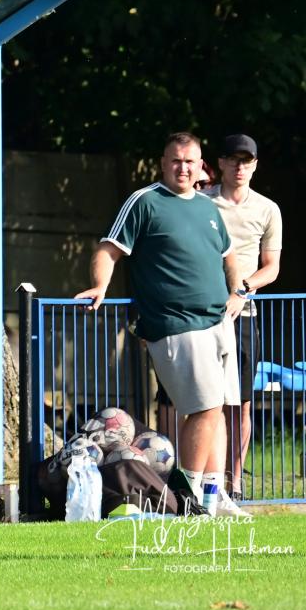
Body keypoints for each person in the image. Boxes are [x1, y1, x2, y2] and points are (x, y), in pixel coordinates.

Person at [75, 131, 249, 518]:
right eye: (176, 160)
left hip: (218, 323)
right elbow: (108, 249)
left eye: (190, 161)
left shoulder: (206, 207)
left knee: (219, 410)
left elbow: (229, 254)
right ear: (163, 163)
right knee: (204, 409)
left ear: (201, 166)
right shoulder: (145, 201)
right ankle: (187, 496)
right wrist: (100, 286)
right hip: (176, 324)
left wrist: (237, 291)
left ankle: (213, 495)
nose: (183, 168)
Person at [203, 134, 282, 501]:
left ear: (255, 165)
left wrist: (242, 290)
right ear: (220, 163)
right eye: (233, 159)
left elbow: (272, 268)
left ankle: (234, 482)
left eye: (246, 160)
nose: (239, 166)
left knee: (241, 403)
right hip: (201, 314)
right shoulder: (201, 203)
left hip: (244, 315)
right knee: (204, 402)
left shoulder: (268, 209)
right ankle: (203, 480)